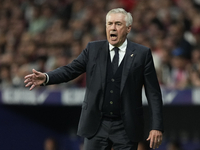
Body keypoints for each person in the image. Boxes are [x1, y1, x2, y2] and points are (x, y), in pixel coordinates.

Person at [24, 8, 163, 150]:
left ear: (128, 28)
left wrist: (156, 126)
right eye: (109, 24)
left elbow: (153, 93)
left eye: (118, 24)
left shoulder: (142, 54)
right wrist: (47, 77)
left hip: (126, 127)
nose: (112, 28)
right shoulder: (93, 49)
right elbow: (70, 70)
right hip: (96, 125)